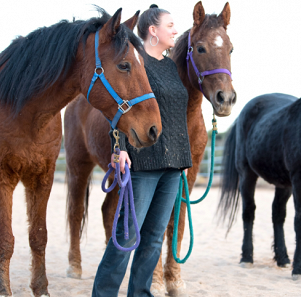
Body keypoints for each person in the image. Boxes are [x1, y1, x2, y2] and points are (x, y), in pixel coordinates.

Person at [92, 4, 192, 297]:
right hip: (142, 163)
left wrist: (183, 157)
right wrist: (119, 148)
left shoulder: (170, 65)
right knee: (126, 236)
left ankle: (141, 293)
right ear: (153, 30)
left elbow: (175, 113)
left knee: (152, 240)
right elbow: (119, 106)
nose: (175, 30)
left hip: (173, 166)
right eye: (170, 25)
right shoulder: (135, 63)